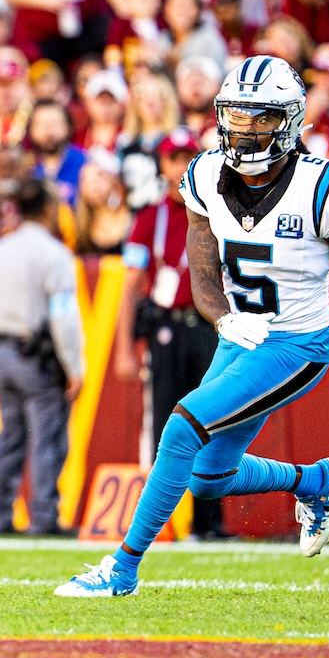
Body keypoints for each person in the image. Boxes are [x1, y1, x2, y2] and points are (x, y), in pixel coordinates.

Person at [54, 55, 329, 597]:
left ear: (291, 120)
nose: (245, 129)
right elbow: (203, 275)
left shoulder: (320, 187)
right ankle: (315, 482)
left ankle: (122, 567)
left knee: (182, 427)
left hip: (298, 343)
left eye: (262, 117)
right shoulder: (204, 173)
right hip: (242, 335)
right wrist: (226, 317)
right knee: (207, 478)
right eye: (236, 115)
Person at [112, 128, 229, 540]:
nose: (180, 167)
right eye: (172, 159)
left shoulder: (217, 212)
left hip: (208, 326)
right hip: (166, 327)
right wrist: (124, 347)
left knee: (213, 421)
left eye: (186, 158)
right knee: (164, 424)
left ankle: (209, 524)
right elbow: (130, 283)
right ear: (162, 165)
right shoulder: (149, 215)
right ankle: (155, 525)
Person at [0, 177, 84, 536]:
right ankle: (44, 515)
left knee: (10, 436)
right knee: (46, 437)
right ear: (49, 210)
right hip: (37, 355)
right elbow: (63, 315)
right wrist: (74, 366)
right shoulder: (54, 254)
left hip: (3, 352)